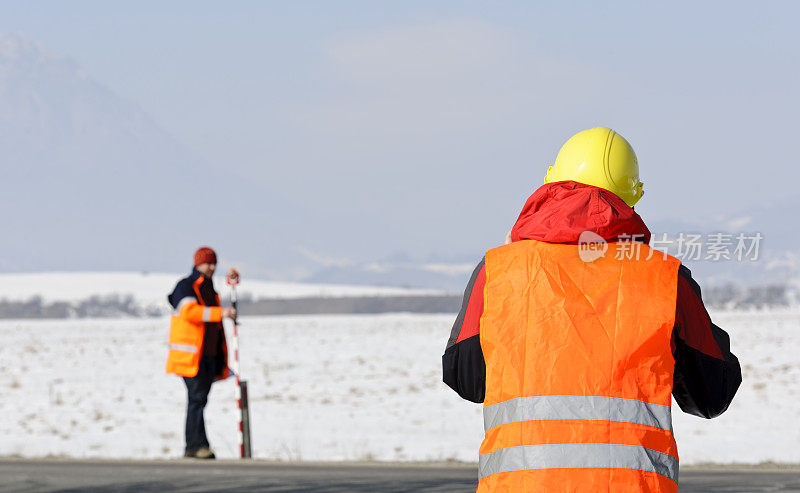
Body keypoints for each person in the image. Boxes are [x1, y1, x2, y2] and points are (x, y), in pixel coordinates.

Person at [442, 127, 741, 492]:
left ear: (551, 183)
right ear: (630, 199)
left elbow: (465, 378)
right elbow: (713, 394)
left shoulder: (498, 270)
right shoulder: (665, 277)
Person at [166, 246, 236, 459]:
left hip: (207, 356)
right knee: (196, 400)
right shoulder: (186, 286)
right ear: (198, 263)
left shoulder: (209, 289)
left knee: (200, 400)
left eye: (214, 263)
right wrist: (221, 312)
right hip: (190, 357)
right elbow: (189, 312)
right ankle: (195, 446)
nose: (212, 267)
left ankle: (198, 445)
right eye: (208, 263)